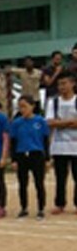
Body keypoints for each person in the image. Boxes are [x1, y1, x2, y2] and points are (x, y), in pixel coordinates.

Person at [10, 95, 50, 220]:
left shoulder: (40, 121)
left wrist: (47, 159)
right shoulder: (17, 123)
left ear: (32, 106)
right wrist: (14, 159)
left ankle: (41, 209)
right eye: (20, 107)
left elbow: (45, 140)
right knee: (22, 183)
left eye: (25, 106)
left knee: (39, 182)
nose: (22, 109)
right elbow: (13, 142)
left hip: (37, 154)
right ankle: (24, 208)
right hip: (22, 154)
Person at [45, 72, 77, 215]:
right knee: (60, 177)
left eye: (64, 83)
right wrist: (70, 122)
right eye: (59, 84)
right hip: (59, 146)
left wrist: (60, 123)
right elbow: (50, 122)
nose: (61, 87)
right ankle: (59, 203)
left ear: (73, 83)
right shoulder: (54, 102)